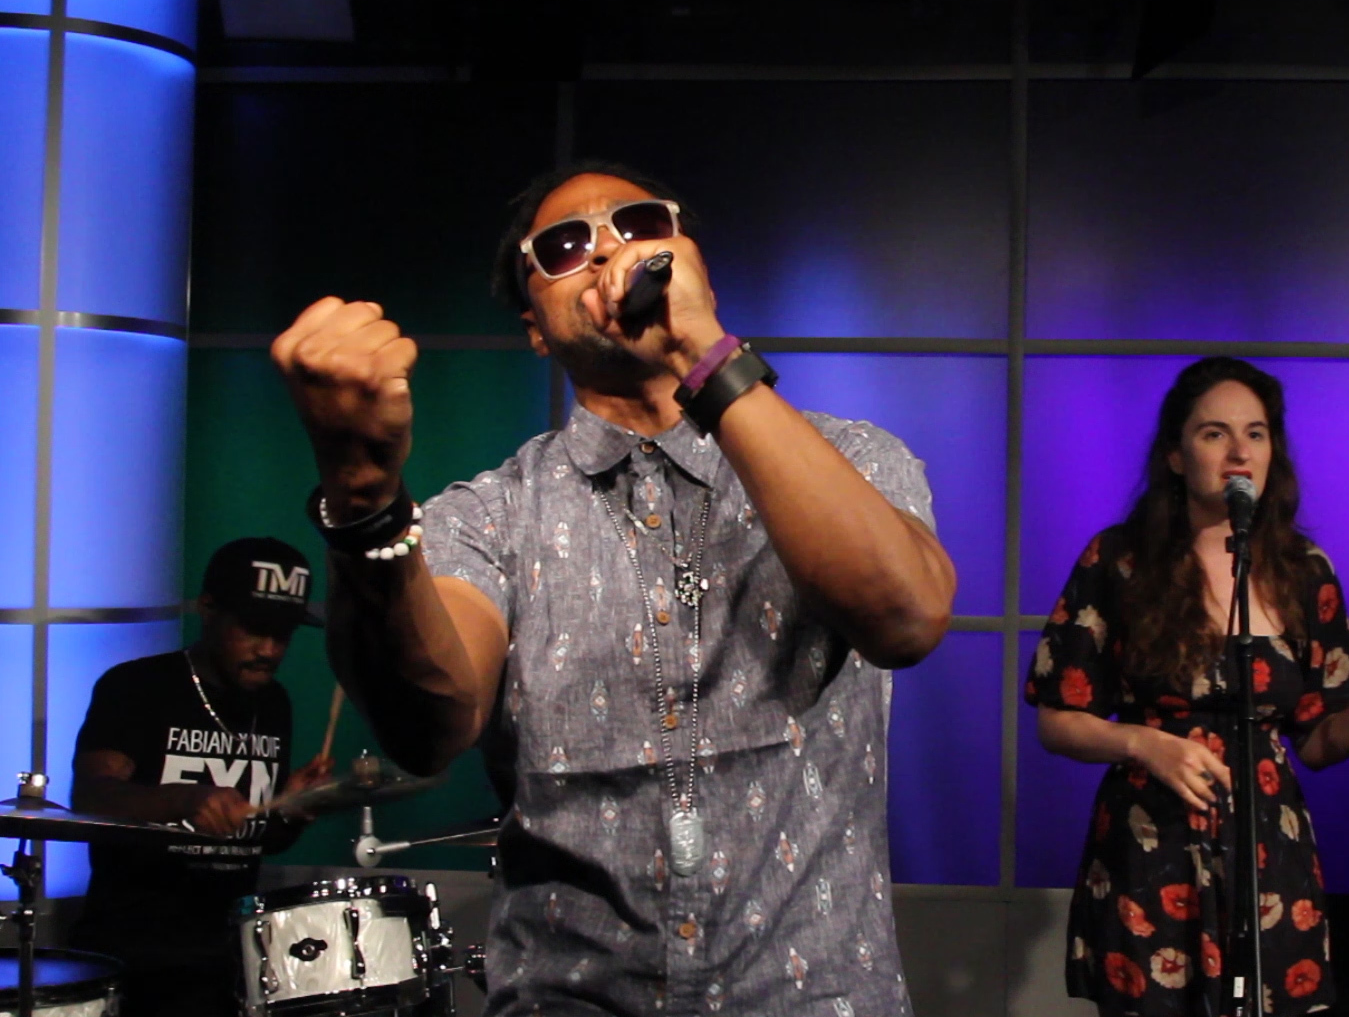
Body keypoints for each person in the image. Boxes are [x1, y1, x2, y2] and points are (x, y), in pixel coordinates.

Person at [269, 160, 955, 1016]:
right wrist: (364, 496)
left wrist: (705, 355)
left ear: (691, 259)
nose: (606, 252)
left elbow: (906, 617)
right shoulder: (488, 515)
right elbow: (432, 722)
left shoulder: (852, 456)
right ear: (532, 324)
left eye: (638, 225)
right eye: (563, 246)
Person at [1024, 356, 1349, 1017]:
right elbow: (1058, 719)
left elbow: (1319, 738)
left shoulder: (1303, 571)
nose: (1239, 450)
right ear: (1178, 457)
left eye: (1257, 433)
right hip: (1151, 841)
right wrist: (1144, 745)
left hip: (1269, 851)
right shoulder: (1118, 559)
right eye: (1214, 433)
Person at [68, 536, 334, 1017]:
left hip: (227, 961)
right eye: (254, 630)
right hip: (132, 958)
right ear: (208, 609)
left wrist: (291, 809)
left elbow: (255, 838)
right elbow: (92, 798)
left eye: (284, 634)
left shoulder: (272, 704)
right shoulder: (135, 687)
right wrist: (184, 801)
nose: (270, 650)